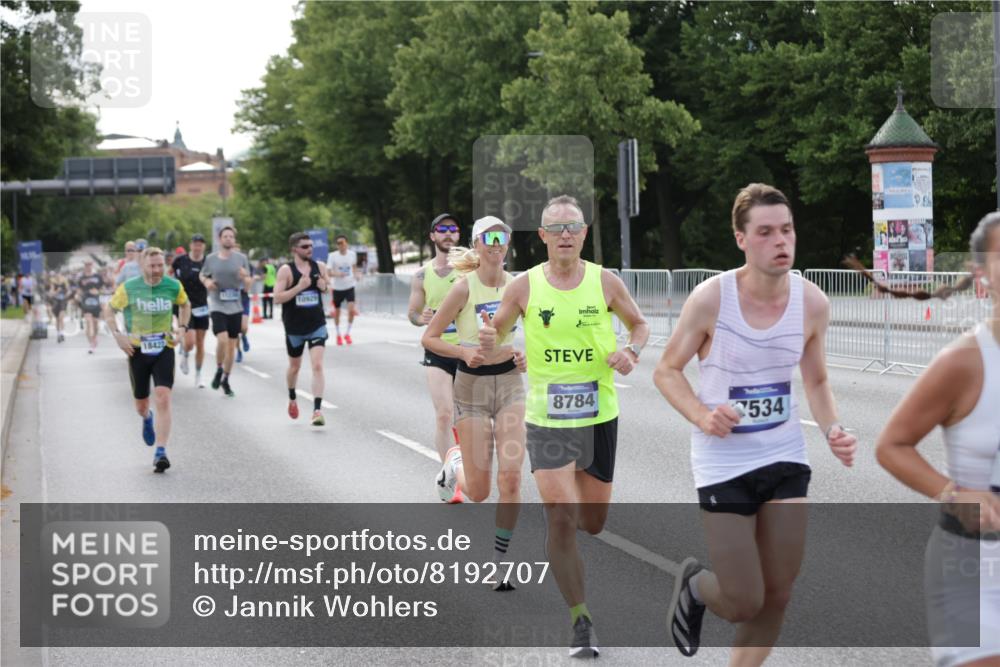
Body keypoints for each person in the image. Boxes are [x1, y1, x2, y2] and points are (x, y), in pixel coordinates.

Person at [654, 183, 857, 664]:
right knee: (745, 599)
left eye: (786, 230)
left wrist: (832, 431)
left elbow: (818, 379)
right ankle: (697, 586)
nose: (780, 241)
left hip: (785, 455)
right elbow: (666, 371)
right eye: (765, 232)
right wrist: (703, 414)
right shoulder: (711, 300)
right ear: (741, 239)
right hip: (723, 461)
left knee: (779, 593)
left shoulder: (812, 303)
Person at [478, 195, 649, 656]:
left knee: (591, 522)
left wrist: (630, 352)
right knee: (561, 514)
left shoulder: (604, 281)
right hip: (547, 419)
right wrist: (505, 347)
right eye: (557, 228)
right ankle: (580, 619)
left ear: (585, 233)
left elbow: (639, 326)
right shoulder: (525, 287)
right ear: (544, 236)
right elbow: (497, 332)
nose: (566, 234)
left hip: (598, 415)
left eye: (574, 226)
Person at [871, 212, 1000, 667]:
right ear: (983, 276)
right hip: (974, 569)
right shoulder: (965, 362)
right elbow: (891, 445)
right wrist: (953, 492)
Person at [422, 216, 527, 590]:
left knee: (511, 477)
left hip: (511, 385)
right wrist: (463, 352)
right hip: (472, 389)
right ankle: (455, 463)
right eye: (489, 238)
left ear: (508, 243)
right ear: (478, 245)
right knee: (480, 492)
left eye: (502, 237)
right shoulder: (463, 289)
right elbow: (430, 338)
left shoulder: (521, 285)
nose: (496, 244)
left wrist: (525, 356)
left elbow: (539, 334)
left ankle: (499, 561)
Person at [104, 247, 191, 472]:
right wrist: (118, 335)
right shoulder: (129, 288)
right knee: (141, 405)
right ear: (142, 266)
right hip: (137, 351)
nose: (157, 270)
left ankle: (161, 452)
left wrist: (181, 327)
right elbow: (109, 309)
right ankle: (146, 417)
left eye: (160, 265)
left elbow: (185, 304)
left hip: (164, 347)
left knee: (163, 396)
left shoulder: (172, 285)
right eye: (152, 266)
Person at [408, 214, 464, 500]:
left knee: (465, 418)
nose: (448, 234)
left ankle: (463, 467)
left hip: (467, 350)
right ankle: (450, 478)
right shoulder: (421, 275)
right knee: (444, 415)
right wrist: (423, 318)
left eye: (453, 230)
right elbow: (413, 314)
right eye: (442, 230)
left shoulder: (470, 269)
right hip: (437, 350)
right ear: (432, 236)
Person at [273, 232, 330, 426]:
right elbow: (277, 298)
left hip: (317, 325)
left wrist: (324, 287)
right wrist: (299, 287)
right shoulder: (286, 271)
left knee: (317, 365)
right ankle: (292, 397)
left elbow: (327, 288)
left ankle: (317, 410)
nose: (310, 249)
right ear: (294, 249)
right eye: (305, 246)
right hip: (294, 328)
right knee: (295, 367)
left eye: (311, 246)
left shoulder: (319, 267)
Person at [201, 226, 252, 397]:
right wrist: (207, 283)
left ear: (234, 239)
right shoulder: (211, 259)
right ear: (219, 239)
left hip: (235, 306)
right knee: (221, 340)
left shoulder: (241, 258)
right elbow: (203, 275)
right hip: (217, 305)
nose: (229, 239)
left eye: (231, 236)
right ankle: (218, 369)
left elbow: (248, 285)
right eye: (225, 236)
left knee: (231, 348)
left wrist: (245, 277)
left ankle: (226, 380)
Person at [172, 234, 210, 386]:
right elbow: (169, 274)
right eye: (195, 244)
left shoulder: (208, 262)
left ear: (204, 246)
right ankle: (185, 354)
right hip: (184, 305)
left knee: (200, 343)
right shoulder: (180, 261)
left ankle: (198, 376)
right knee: (190, 342)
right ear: (190, 245)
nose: (197, 247)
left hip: (201, 305)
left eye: (200, 244)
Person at [329, 234, 359, 345]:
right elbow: (328, 272)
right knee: (337, 313)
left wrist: (356, 275)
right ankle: (338, 334)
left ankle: (347, 333)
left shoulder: (352, 254)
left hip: (350, 286)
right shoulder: (332, 256)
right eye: (338, 243)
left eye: (342, 243)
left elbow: (354, 267)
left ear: (347, 243)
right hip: (337, 288)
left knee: (351, 310)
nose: (340, 245)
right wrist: (337, 274)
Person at [76, 261, 104, 354]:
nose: (88, 266)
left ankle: (94, 337)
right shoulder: (81, 278)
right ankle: (91, 344)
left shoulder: (98, 276)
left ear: (92, 265)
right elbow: (79, 289)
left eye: (89, 265)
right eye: (86, 265)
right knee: (89, 322)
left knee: (95, 323)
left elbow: (102, 288)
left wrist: (99, 293)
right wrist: (78, 296)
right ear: (84, 266)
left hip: (96, 302)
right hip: (86, 301)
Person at [48, 274, 71, 343]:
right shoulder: (53, 284)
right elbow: (51, 293)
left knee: (61, 317)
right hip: (55, 302)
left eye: (59, 276)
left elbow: (69, 291)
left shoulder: (65, 282)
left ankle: (62, 333)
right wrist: (57, 291)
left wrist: (67, 294)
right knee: (57, 319)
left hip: (63, 302)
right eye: (56, 276)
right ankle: (58, 333)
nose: (58, 277)